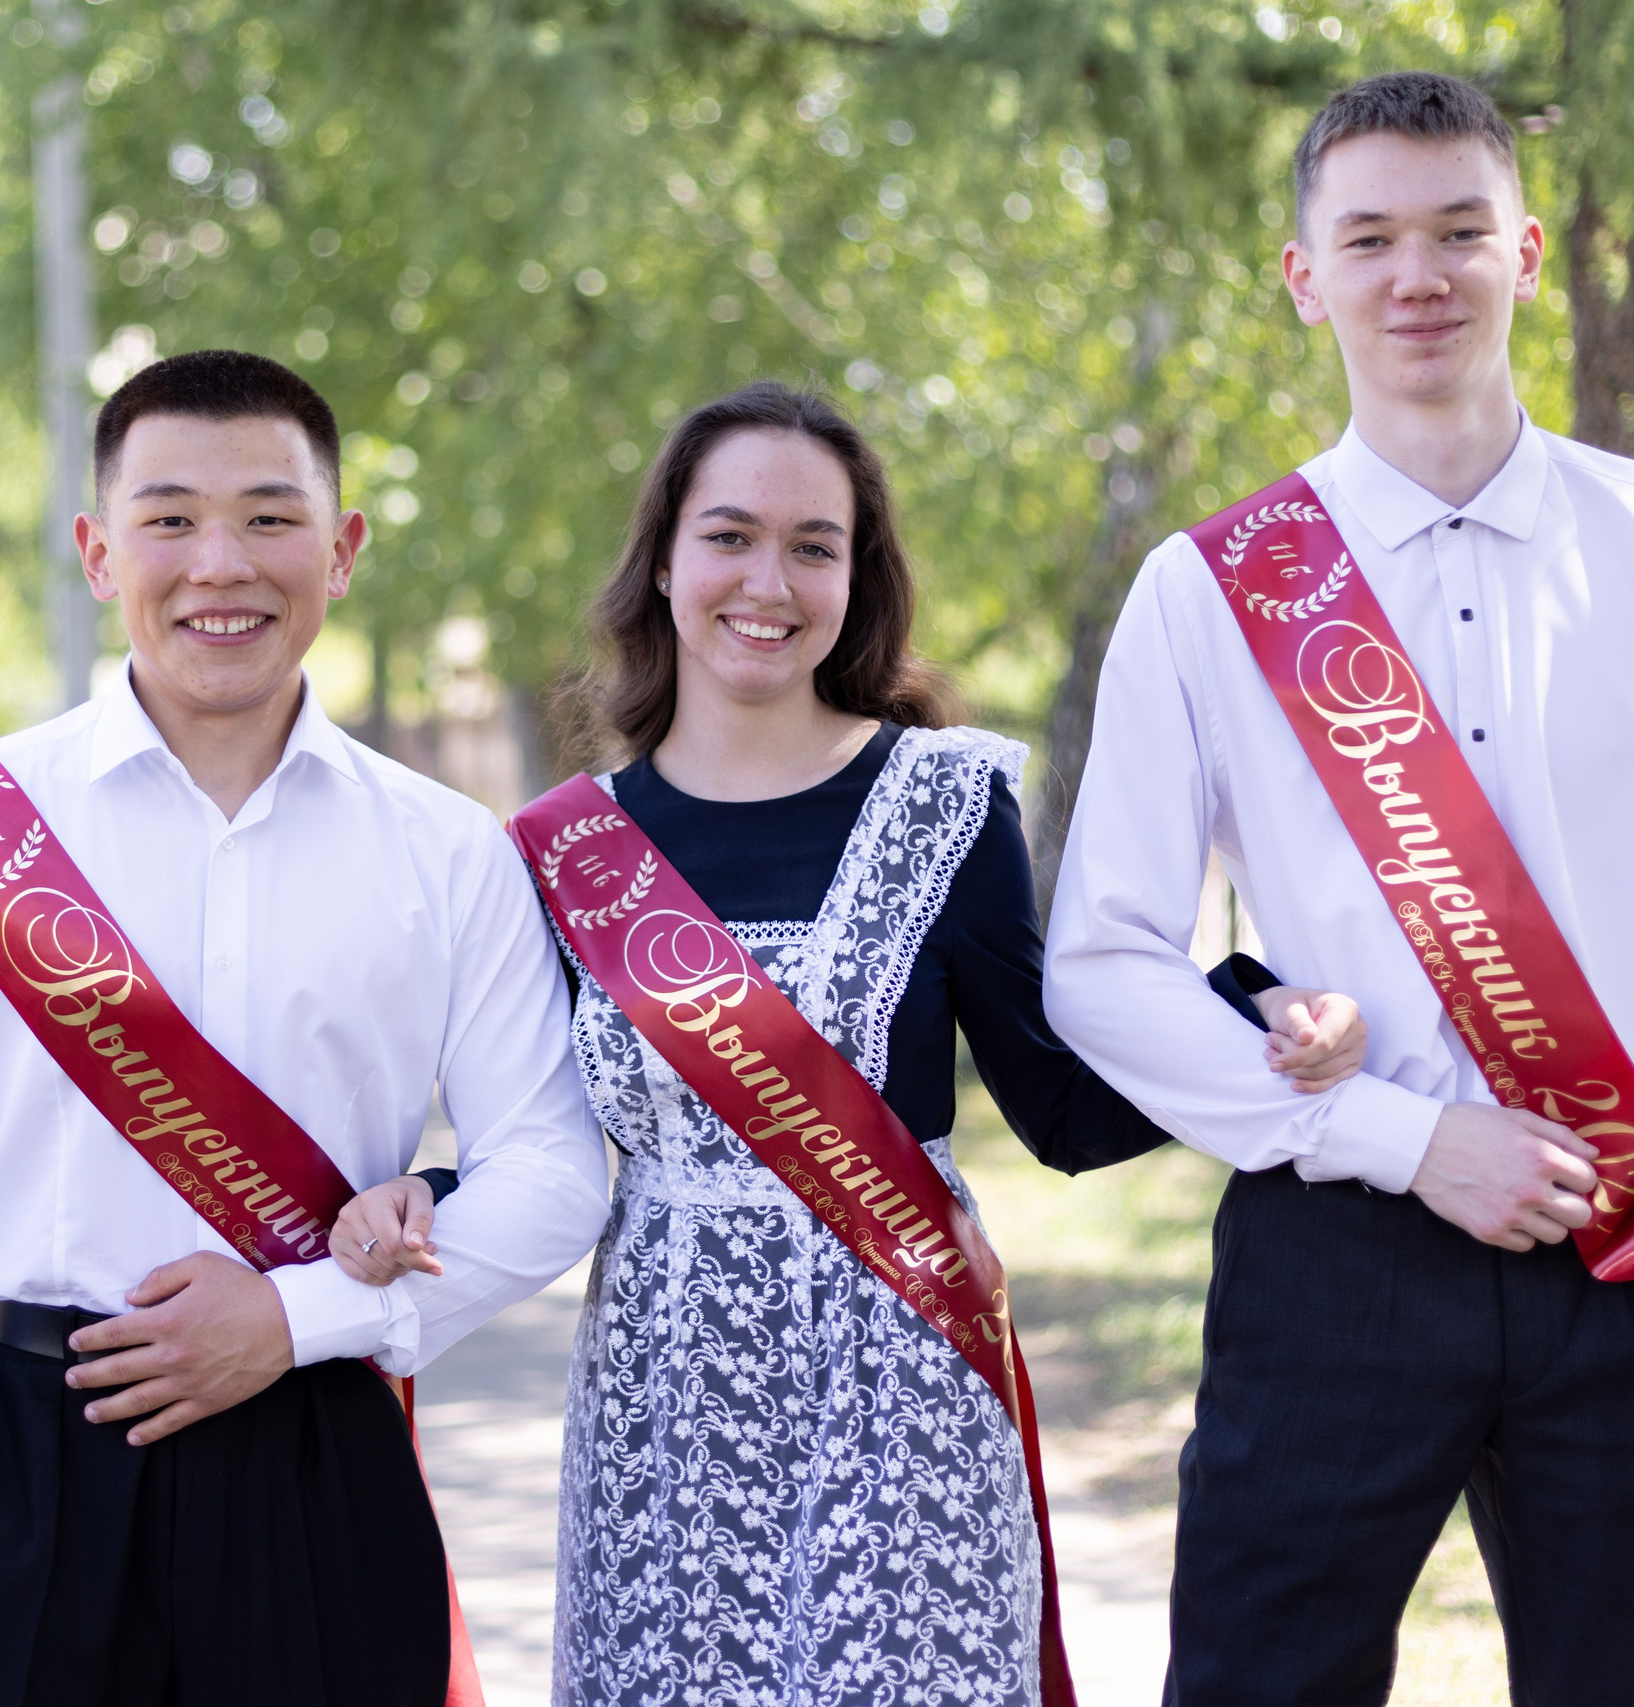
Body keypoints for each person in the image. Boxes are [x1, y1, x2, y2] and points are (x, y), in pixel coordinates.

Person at [333, 381, 1369, 1706]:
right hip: (665, 1421)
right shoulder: (562, 851)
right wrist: (423, 1196)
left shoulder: (947, 802)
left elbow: (1059, 1108)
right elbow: (544, 1146)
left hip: (904, 1394)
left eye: (813, 546)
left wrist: (1246, 1009)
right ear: (664, 563)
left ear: (854, 580)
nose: (768, 581)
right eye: (729, 536)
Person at [1044, 72, 1634, 1706]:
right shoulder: (1208, 590)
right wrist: (1401, 1138)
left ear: (1523, 252)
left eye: (1460, 231)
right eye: (1371, 238)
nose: (1419, 276)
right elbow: (1102, 963)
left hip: (1625, 1248)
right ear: (1304, 275)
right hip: (1339, 1249)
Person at [0, 349, 610, 1707]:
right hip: (30, 1472)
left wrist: (293, 1317)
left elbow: (555, 1168)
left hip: (322, 1459)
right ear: (99, 552)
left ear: (341, 551)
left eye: (270, 517)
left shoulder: (451, 852)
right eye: (169, 518)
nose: (220, 563)